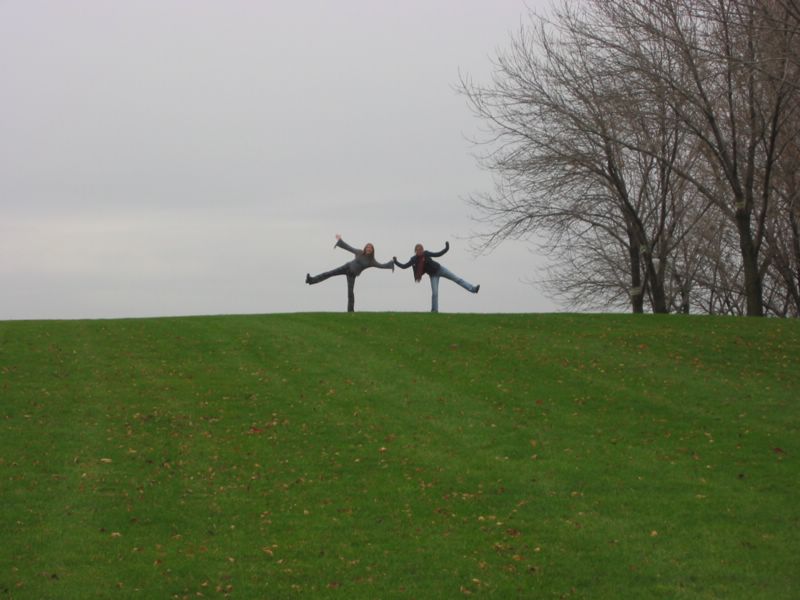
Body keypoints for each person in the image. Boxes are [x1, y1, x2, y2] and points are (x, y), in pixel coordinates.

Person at [306, 234, 394, 312]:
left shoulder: (372, 261)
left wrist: (391, 264)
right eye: (367, 247)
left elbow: (381, 266)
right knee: (329, 273)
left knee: (350, 292)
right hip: (346, 267)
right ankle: (311, 280)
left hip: (352, 274)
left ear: (372, 250)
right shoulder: (359, 252)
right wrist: (340, 240)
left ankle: (350, 311)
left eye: (370, 248)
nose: (368, 249)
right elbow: (349, 248)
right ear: (365, 248)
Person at [393, 241, 479, 312]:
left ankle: (473, 289)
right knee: (435, 293)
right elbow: (404, 266)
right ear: (415, 251)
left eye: (421, 249)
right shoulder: (414, 259)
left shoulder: (426, 253)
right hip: (433, 276)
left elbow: (438, 254)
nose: (420, 251)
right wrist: (396, 261)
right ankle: (434, 310)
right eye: (418, 250)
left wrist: (446, 248)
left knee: (457, 279)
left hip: (441, 269)